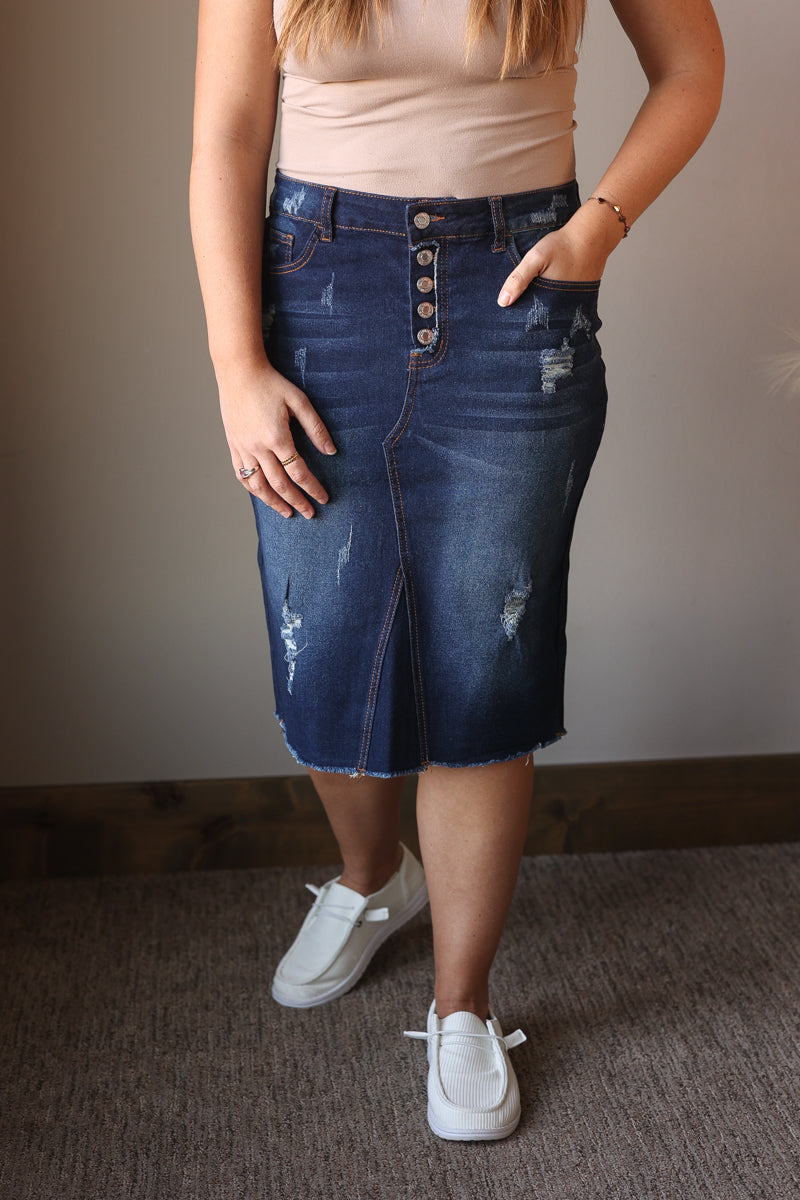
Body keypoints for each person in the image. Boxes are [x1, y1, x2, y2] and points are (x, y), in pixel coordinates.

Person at [190, 0, 723, 1141]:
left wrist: (596, 227)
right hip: (316, 290)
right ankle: (372, 874)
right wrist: (237, 363)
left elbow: (690, 67)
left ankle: (463, 1006)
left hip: (512, 296)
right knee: (324, 659)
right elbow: (231, 129)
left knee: (484, 670)